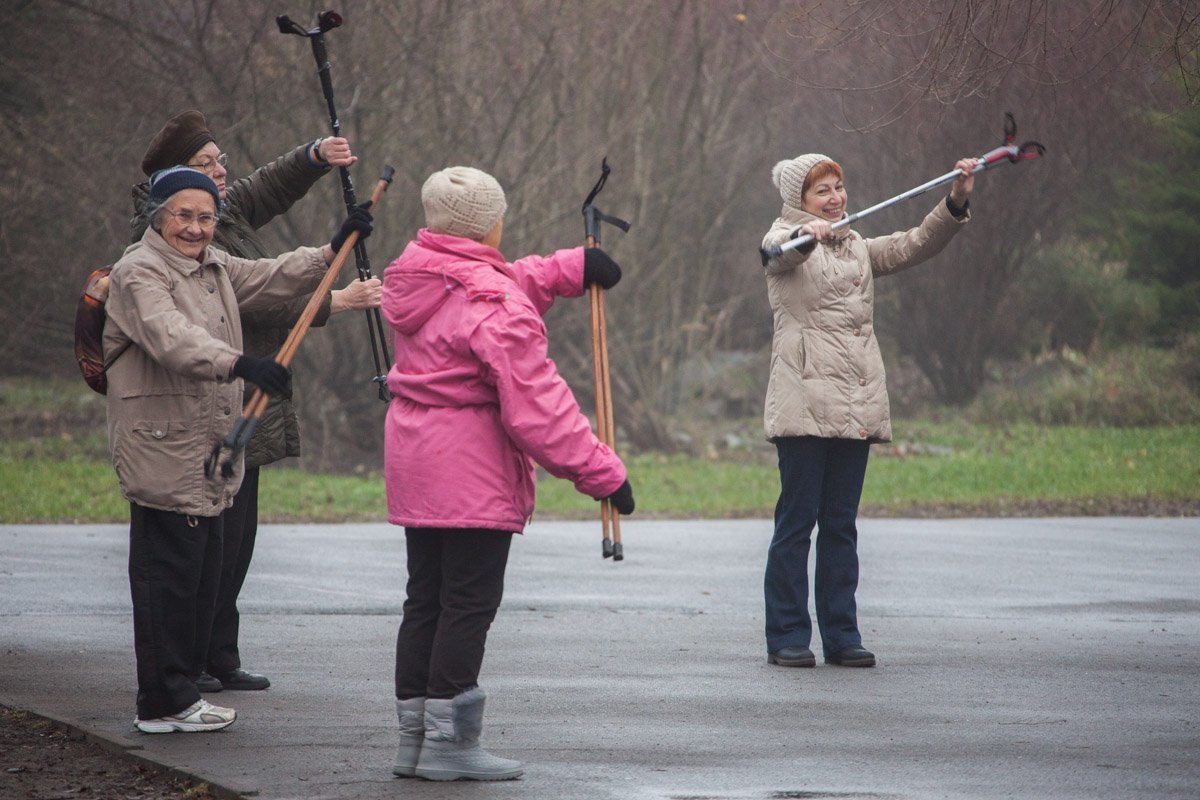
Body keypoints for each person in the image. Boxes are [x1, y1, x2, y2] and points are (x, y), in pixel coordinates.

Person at [381, 166, 635, 781]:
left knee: (427, 600)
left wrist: (567, 269)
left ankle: (414, 745)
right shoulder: (492, 303)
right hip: (470, 467)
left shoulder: (417, 270)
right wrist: (602, 472)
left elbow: (488, 286)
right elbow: (538, 405)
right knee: (467, 604)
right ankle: (451, 748)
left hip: (416, 457)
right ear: (490, 226)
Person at [106, 166, 373, 733]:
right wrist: (239, 362)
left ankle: (180, 695)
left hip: (207, 447)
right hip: (162, 448)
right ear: (158, 215)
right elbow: (172, 338)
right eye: (183, 215)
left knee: (200, 580)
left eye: (205, 217)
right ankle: (160, 702)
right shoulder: (138, 272)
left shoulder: (214, 266)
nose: (196, 228)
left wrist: (329, 250)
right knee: (168, 579)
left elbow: (270, 275)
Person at [759, 152, 977, 669]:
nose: (836, 198)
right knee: (797, 523)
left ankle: (841, 634)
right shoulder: (781, 241)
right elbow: (778, 255)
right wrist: (807, 233)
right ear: (799, 200)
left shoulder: (856, 245)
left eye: (839, 187)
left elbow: (912, 245)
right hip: (804, 403)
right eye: (823, 191)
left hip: (855, 401)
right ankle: (787, 635)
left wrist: (955, 202)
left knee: (841, 524)